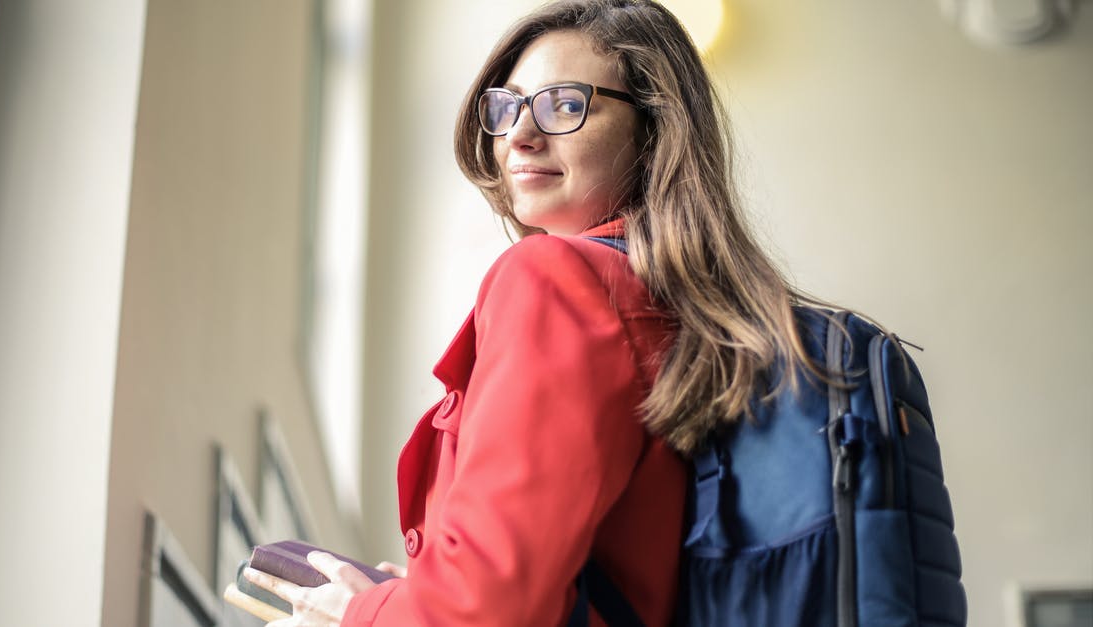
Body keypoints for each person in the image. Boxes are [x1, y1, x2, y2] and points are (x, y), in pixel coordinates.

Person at [245, 0, 817, 624]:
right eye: (508, 106)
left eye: (565, 104)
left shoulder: (551, 279)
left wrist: (370, 614)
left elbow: (488, 610)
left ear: (654, 129)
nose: (520, 133)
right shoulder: (688, 310)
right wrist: (416, 595)